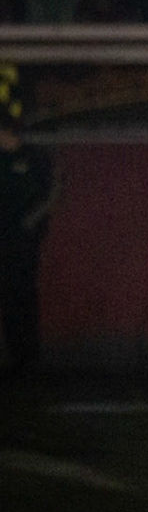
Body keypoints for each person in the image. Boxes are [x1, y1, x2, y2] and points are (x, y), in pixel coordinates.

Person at [0, 104, 55, 378]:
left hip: (23, 237)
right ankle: (16, 352)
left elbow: (50, 193)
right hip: (5, 235)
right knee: (9, 295)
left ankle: (28, 353)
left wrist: (31, 223)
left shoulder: (34, 158)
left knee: (22, 292)